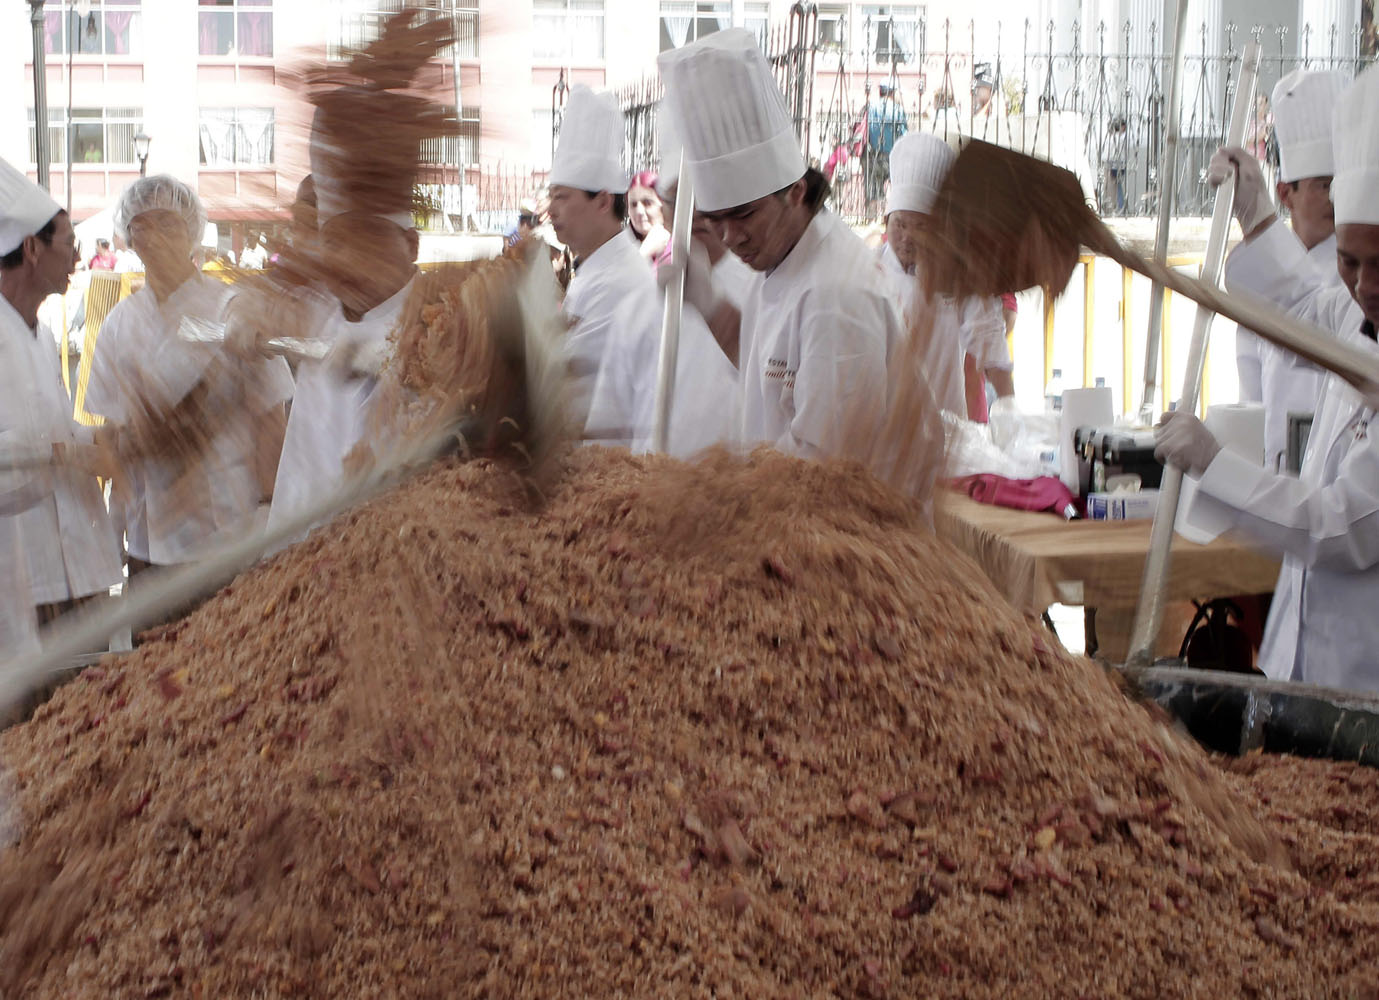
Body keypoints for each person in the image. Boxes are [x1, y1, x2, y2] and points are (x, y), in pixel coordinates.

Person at [1154, 64, 1379, 693]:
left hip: (1366, 681)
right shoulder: (1354, 309)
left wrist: (1216, 464)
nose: (1365, 286)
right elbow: (1307, 310)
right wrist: (1256, 215)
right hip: (1301, 656)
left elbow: (1339, 525)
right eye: (1349, 261)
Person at [658, 29, 929, 470]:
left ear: (797, 192)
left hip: (839, 529)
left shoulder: (836, 296)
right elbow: (765, 371)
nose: (728, 237)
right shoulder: (779, 258)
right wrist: (705, 301)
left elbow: (821, 474)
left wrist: (713, 494)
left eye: (742, 215)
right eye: (714, 220)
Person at [84, 175, 293, 572]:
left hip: (231, 535)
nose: (155, 235)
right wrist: (112, 521)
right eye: (141, 225)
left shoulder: (228, 305)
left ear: (191, 232)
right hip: (150, 543)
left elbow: (271, 420)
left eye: (167, 223)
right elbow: (109, 432)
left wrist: (269, 511)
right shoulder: (118, 324)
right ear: (128, 237)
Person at [0, 155, 122, 629]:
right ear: (32, 249)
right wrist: (62, 454)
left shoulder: (42, 334)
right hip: (23, 584)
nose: (77, 258)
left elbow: (55, 425)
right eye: (69, 245)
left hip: (76, 573)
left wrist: (103, 440)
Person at [1234, 69, 1349, 473]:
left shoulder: (1359, 280)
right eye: (1323, 184)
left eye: (1342, 184)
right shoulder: (1264, 281)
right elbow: (1251, 395)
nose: (1337, 197)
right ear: (1285, 193)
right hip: (1276, 477)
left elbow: (1311, 317)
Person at [545, 84, 660, 440]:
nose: (551, 210)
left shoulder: (620, 281)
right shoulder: (594, 269)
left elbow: (563, 390)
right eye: (551, 197)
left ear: (602, 201)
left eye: (562, 198)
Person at [878, 132, 1013, 421]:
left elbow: (990, 344)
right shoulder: (867, 271)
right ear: (886, 220)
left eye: (920, 227)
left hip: (945, 431)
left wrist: (1012, 415)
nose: (907, 237)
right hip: (880, 434)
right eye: (899, 224)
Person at [864, 83, 908, 216]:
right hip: (893, 154)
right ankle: (888, 219)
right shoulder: (898, 109)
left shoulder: (871, 107)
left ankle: (871, 219)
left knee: (873, 190)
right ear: (892, 92)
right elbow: (903, 132)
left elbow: (868, 128)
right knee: (896, 190)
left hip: (874, 154)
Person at [626, 170, 671, 271]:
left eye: (647, 203)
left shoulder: (676, 249)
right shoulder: (623, 247)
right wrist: (644, 252)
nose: (639, 211)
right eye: (633, 204)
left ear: (663, 206)